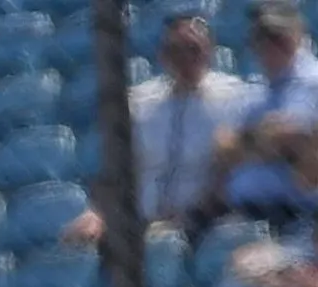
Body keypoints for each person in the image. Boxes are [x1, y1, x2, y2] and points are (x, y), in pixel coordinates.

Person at [64, 6, 257, 248]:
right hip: (139, 225)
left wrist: (191, 218)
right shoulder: (139, 102)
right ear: (161, 55)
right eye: (175, 50)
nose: (185, 58)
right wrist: (96, 213)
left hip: (203, 227)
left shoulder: (235, 100)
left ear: (209, 52)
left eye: (193, 49)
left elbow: (235, 177)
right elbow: (116, 170)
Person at [212, 3, 318, 225]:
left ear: (298, 35)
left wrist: (247, 143)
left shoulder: (312, 81)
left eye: (279, 36)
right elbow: (223, 147)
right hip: (244, 213)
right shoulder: (255, 89)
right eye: (263, 36)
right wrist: (268, 142)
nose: (271, 44)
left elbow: (291, 138)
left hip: (294, 217)